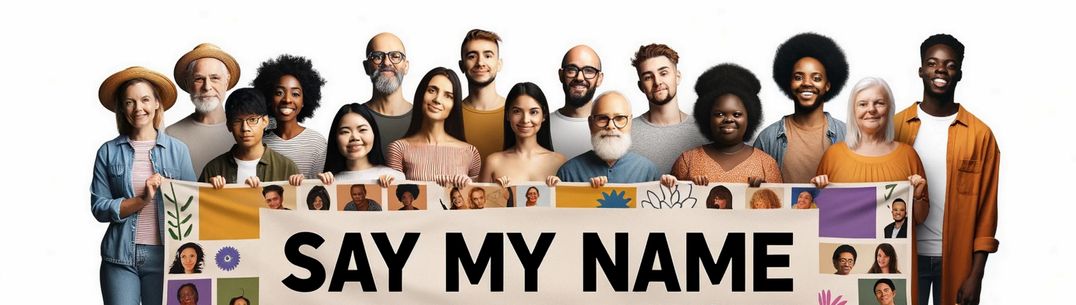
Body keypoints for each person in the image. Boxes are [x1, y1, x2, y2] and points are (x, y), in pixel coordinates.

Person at [893, 34, 999, 305]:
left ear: (959, 74)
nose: (940, 69)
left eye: (950, 65)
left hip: (956, 261)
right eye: (932, 63)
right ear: (921, 70)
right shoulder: (895, 127)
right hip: (904, 256)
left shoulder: (980, 135)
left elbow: (987, 210)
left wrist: (977, 275)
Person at [92, 66, 196, 305]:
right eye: (129, 102)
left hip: (167, 258)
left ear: (157, 103)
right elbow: (99, 207)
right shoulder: (108, 151)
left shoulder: (177, 150)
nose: (138, 108)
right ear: (122, 108)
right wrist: (141, 200)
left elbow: (193, 204)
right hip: (119, 258)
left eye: (145, 99)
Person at [660, 64, 781, 188]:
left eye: (737, 114)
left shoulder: (766, 164)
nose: (728, 119)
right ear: (707, 117)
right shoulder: (687, 161)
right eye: (719, 114)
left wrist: (764, 192)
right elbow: (671, 203)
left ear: (749, 117)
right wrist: (690, 189)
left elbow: (781, 205)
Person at [754, 33, 850, 183]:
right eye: (798, 77)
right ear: (789, 83)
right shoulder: (768, 139)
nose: (806, 83)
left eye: (816, 78)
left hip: (833, 207)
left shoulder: (848, 136)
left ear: (827, 86)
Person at [386, 67, 481, 187]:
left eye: (448, 96)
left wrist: (467, 187)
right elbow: (394, 198)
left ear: (454, 105)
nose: (437, 99)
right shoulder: (398, 149)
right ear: (421, 95)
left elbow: (476, 199)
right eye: (432, 90)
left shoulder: (470, 152)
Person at [550, 91, 661, 188]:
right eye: (602, 118)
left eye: (619, 118)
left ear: (630, 122)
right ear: (590, 123)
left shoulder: (648, 171)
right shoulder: (568, 173)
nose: (611, 126)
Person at [198, 88, 302, 189]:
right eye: (237, 121)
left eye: (252, 119)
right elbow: (197, 204)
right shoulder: (213, 169)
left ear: (265, 121)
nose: (245, 128)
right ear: (229, 125)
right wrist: (210, 191)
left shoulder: (286, 167)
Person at [628, 43, 709, 173]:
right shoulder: (625, 132)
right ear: (641, 86)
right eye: (648, 77)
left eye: (663, 73)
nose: (657, 82)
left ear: (677, 77)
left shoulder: (705, 131)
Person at [167, 43, 242, 177]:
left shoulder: (247, 131)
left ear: (227, 80)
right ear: (187, 83)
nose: (207, 87)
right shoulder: (171, 135)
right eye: (199, 79)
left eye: (215, 78)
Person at [252, 54, 328, 178]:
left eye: (295, 94)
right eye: (279, 93)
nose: (287, 99)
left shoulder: (317, 143)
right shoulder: (258, 141)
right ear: (269, 98)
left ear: (304, 101)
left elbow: (318, 188)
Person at [479, 82, 566, 188]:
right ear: (507, 115)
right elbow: (479, 202)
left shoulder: (560, 161)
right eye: (517, 111)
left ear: (544, 116)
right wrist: (497, 193)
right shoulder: (493, 162)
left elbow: (570, 203)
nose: (525, 120)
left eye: (533, 112)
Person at [317, 103, 405, 187]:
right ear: (335, 138)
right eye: (345, 132)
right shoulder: (328, 181)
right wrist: (318, 185)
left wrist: (391, 188)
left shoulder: (395, 178)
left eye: (362, 130)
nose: (355, 137)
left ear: (374, 133)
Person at [458, 29, 507, 159]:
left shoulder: (518, 114)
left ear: (499, 64)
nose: (480, 63)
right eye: (472, 56)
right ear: (461, 65)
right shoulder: (450, 114)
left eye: (488, 56)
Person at [362, 32, 413, 154]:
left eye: (395, 56)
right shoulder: (352, 118)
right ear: (366, 67)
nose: (387, 63)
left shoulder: (424, 119)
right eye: (378, 56)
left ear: (406, 66)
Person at [551, 45, 605, 159]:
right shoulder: (540, 125)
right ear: (561, 75)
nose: (580, 77)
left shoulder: (612, 127)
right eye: (572, 70)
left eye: (589, 71)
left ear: (599, 78)